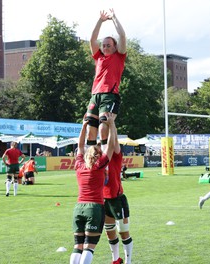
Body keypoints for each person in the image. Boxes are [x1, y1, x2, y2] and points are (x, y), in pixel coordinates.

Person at [70, 113, 116, 264]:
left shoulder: (79, 165)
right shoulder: (99, 166)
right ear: (98, 156)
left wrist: (84, 126)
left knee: (78, 246)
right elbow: (110, 145)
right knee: (89, 247)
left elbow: (80, 145)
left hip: (78, 208)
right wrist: (111, 125)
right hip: (94, 208)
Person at [85, 9, 126, 152]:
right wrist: (100, 21)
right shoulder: (98, 57)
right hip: (95, 95)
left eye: (109, 45)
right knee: (90, 130)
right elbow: (92, 40)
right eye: (104, 45)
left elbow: (122, 35)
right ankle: (89, 161)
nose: (105, 47)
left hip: (110, 95)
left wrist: (114, 18)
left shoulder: (119, 56)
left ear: (115, 47)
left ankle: (105, 160)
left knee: (103, 127)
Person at [103, 119, 133, 264]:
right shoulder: (99, 160)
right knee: (109, 233)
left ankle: (128, 261)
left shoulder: (115, 156)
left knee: (123, 232)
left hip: (117, 199)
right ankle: (116, 260)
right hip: (103, 200)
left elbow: (113, 141)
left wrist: (112, 124)